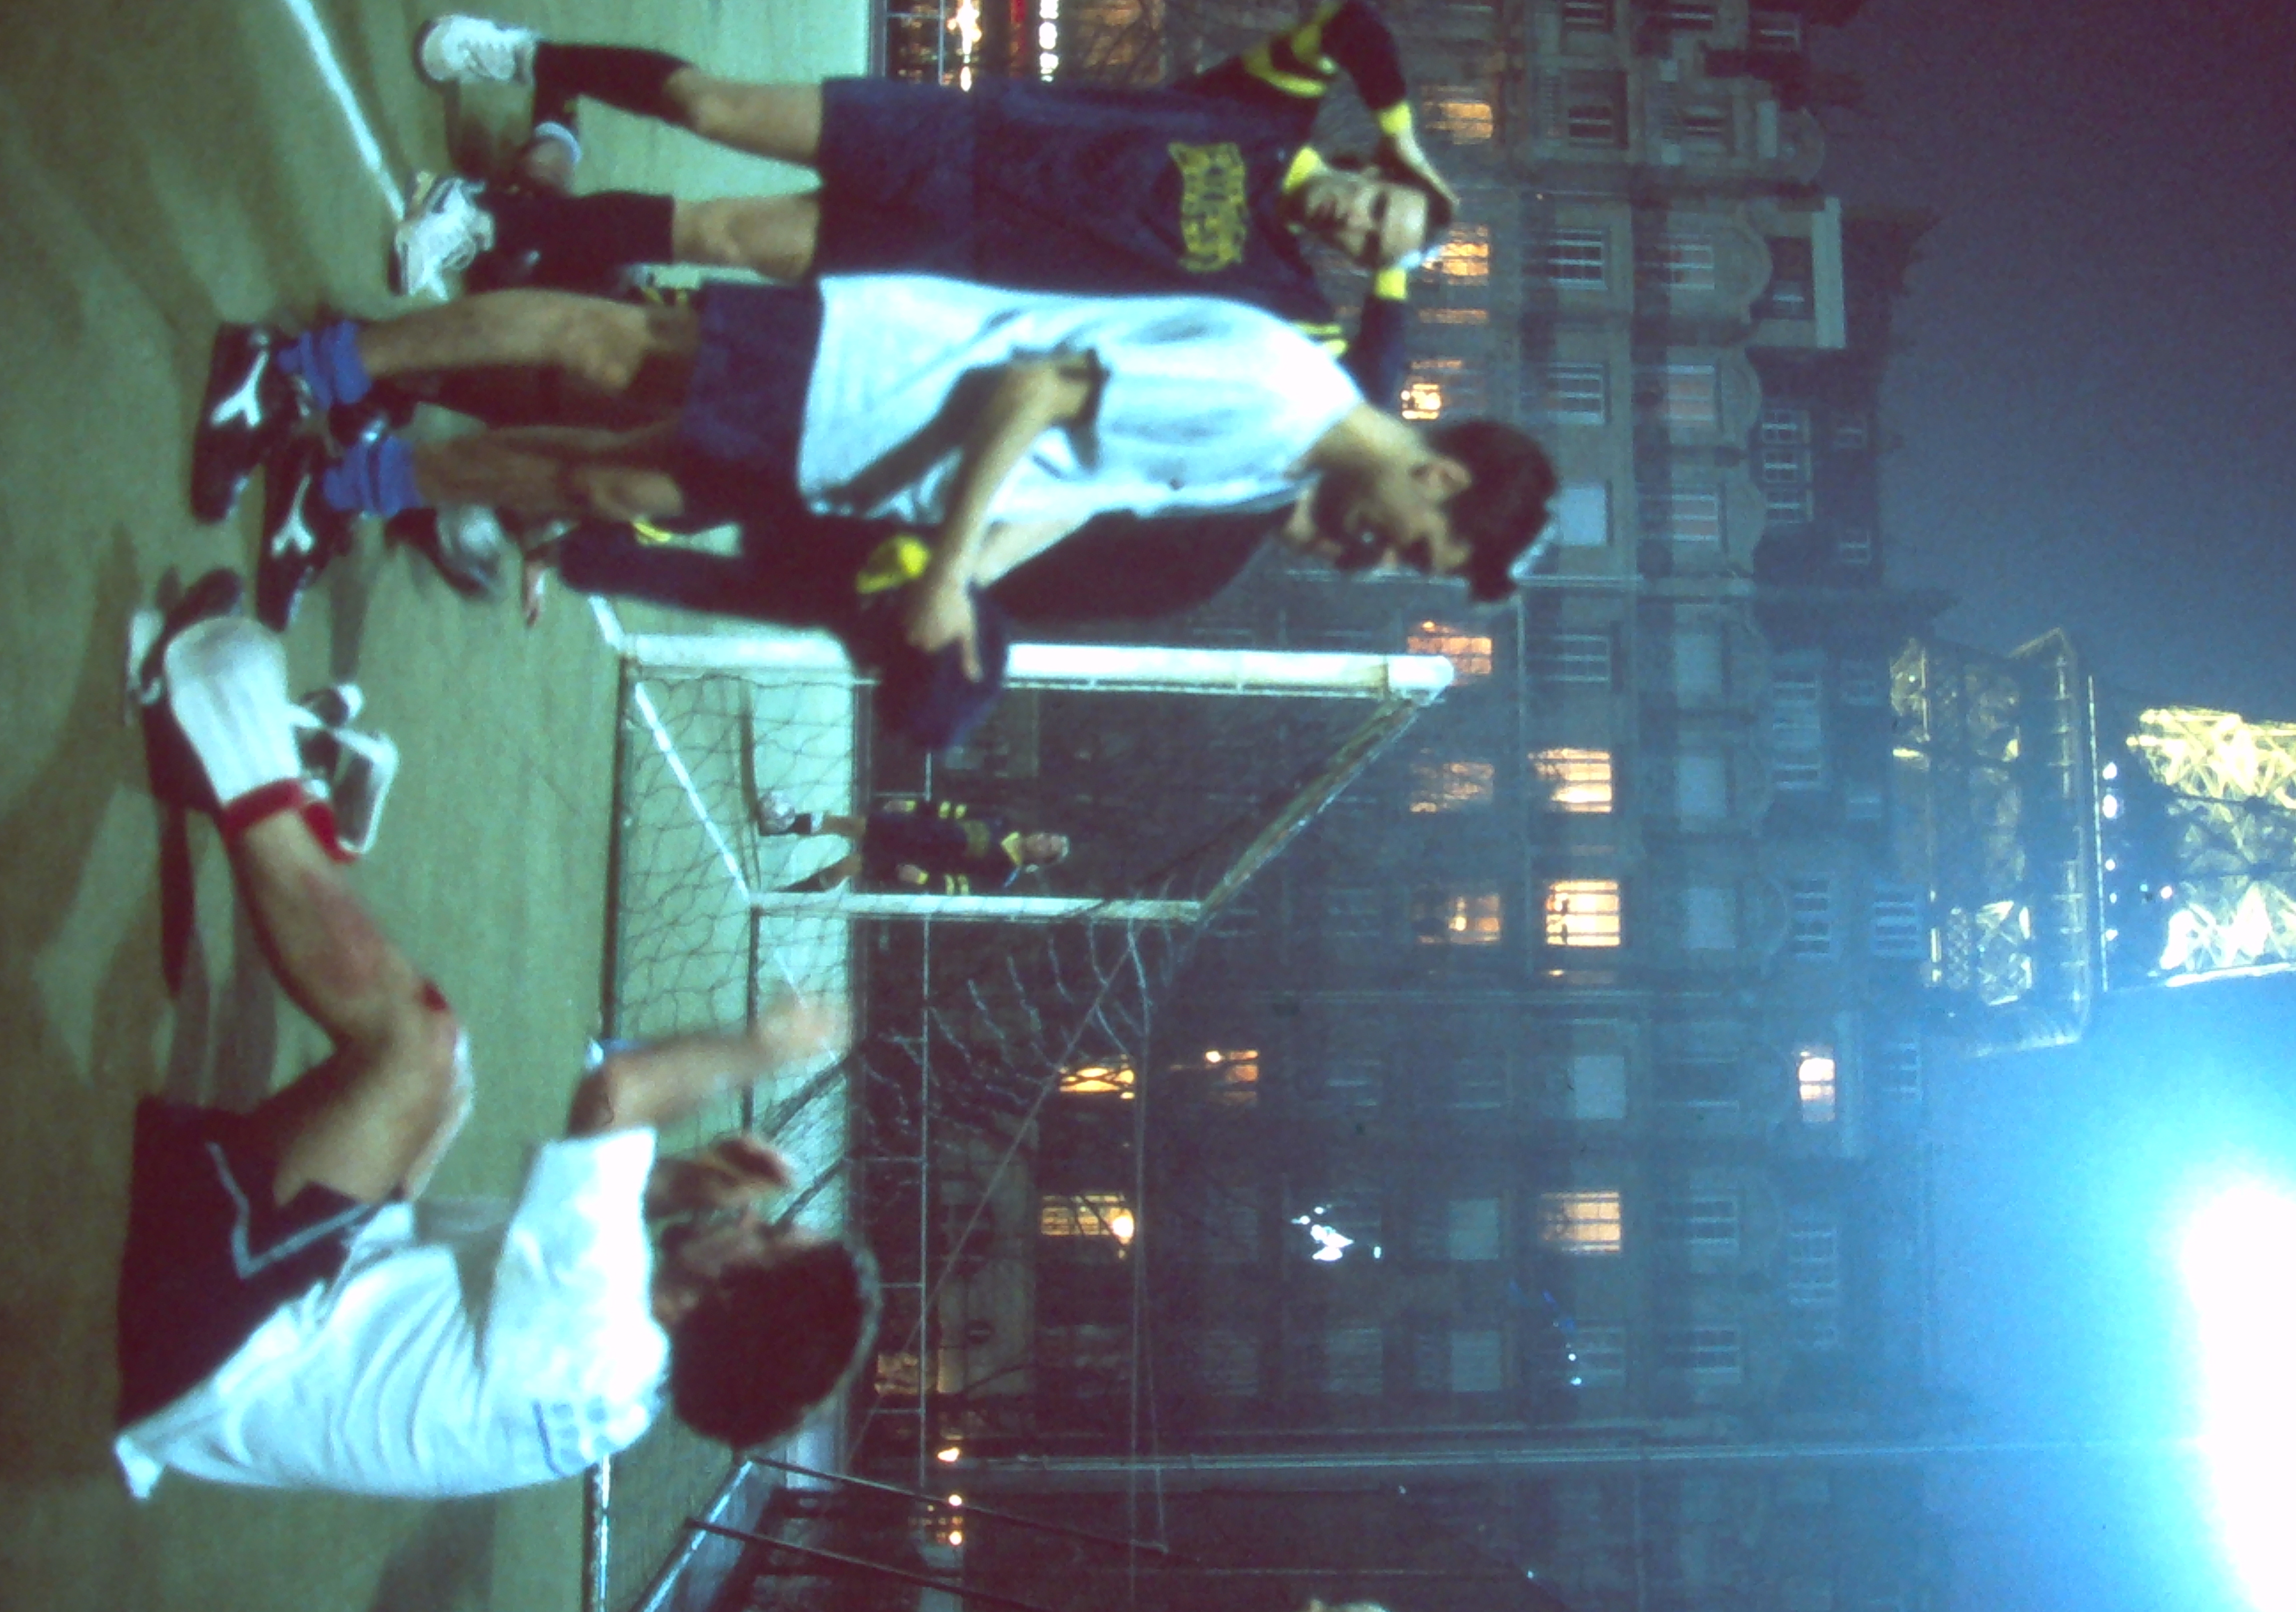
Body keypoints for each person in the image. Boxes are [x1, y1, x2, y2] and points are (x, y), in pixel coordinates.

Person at [113, 575, 878, 1496]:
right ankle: (272, 803)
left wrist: (762, 1048)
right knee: (450, 1087)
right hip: (221, 1355)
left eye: (767, 1237)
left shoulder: (600, 1337)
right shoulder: (620, 1386)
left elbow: (615, 1096)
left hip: (208, 1334)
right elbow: (566, 1224)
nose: (750, 1216)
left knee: (418, 1048)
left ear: (725, 1297)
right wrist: (685, 1184)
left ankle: (210, 699)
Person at [189, 273, 1560, 660]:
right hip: (868, 372)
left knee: (613, 486)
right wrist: (951, 567)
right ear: (1439, 478)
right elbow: (1032, 390)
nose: (1387, 561)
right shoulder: (1274, 396)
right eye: (1419, 549)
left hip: (867, 457)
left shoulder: (1277, 464)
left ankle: (354, 484)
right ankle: (309, 366)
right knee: (614, 351)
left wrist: (961, 581)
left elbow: (1072, 487)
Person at [390, 0, 1457, 393]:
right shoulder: (1267, 113)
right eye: (1378, 206)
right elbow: (1358, 25)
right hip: (953, 138)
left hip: (956, 252)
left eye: (1372, 244)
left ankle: (487, 215)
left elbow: (1369, 390)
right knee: (712, 107)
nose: (1358, 225)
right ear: (1371, 171)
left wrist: (1399, 272)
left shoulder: (1280, 299)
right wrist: (1410, 142)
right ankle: (516, 52)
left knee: (716, 235)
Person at [758, 791, 1069, 895]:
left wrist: (923, 880)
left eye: (1048, 848)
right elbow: (954, 810)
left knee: (849, 866)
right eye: (1047, 837)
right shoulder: (1003, 822)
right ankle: (779, 825)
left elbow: (960, 886)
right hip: (916, 829)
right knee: (849, 824)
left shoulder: (1004, 874)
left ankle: (785, 898)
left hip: (918, 862)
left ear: (1041, 861)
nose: (1042, 841)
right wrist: (914, 805)